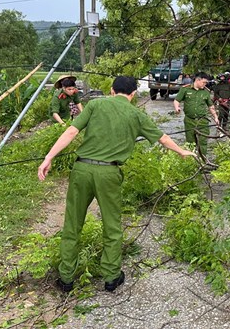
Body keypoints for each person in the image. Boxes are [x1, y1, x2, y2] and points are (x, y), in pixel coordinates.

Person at [38, 76, 195, 293]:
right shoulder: (137, 114)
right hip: (109, 173)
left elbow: (72, 131)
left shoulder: (95, 105)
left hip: (82, 170)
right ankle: (111, 277)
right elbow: (163, 138)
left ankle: (66, 278)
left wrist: (49, 157)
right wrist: (182, 151)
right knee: (111, 226)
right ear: (133, 94)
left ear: (112, 90)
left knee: (73, 223)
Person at [173, 72, 220, 156]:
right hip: (189, 120)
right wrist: (177, 108)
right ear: (198, 80)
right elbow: (177, 100)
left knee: (203, 142)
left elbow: (211, 106)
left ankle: (203, 159)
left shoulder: (206, 92)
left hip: (202, 121)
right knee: (190, 142)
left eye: (206, 82)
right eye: (204, 82)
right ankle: (192, 159)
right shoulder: (185, 89)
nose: (205, 84)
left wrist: (216, 117)